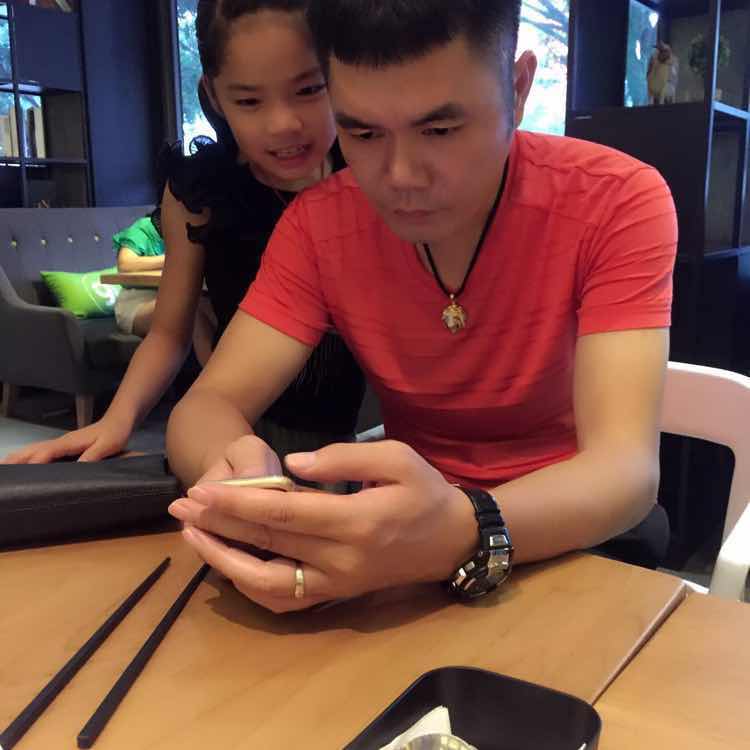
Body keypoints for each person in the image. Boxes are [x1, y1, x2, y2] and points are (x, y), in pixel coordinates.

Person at [165, 0, 678, 614]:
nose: (401, 176)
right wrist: (236, 472)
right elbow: (206, 406)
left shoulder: (614, 200)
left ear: (517, 87)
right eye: (363, 133)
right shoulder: (318, 226)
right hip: (399, 545)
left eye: (439, 131)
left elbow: (625, 470)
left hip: (574, 536)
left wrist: (462, 526)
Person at [2, 0, 364, 466]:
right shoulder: (201, 191)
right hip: (232, 428)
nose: (283, 124)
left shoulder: (369, 174)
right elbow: (169, 334)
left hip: (347, 431)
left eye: (309, 89)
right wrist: (116, 420)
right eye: (249, 101)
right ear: (212, 96)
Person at [112, 208, 165, 338]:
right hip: (137, 304)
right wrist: (173, 258)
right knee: (187, 307)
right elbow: (125, 264)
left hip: (169, 297)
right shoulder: (145, 228)